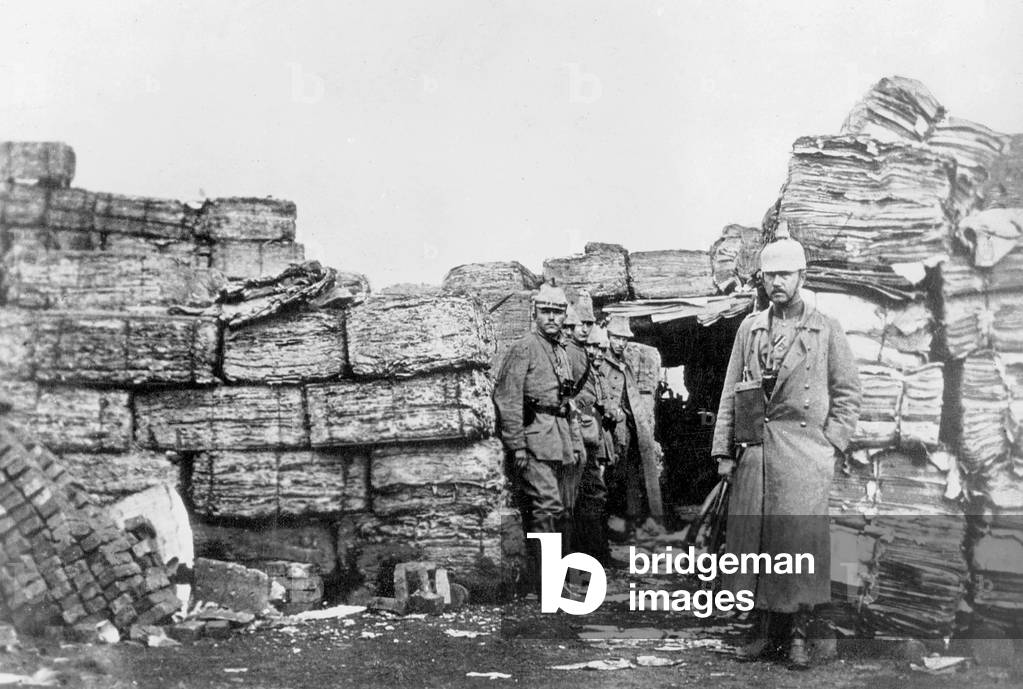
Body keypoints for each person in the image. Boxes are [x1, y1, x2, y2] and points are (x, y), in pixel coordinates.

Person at [712, 227, 860, 669]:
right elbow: (729, 391)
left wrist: (830, 444)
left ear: (802, 275)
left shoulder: (825, 329)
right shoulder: (750, 328)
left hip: (803, 456)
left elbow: (848, 393)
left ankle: (797, 634)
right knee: (753, 541)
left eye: (785, 275)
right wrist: (723, 452)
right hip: (757, 450)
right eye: (769, 275)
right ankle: (762, 631)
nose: (776, 283)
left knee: (797, 543)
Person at [492, 283, 584, 593]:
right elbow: (508, 398)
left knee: (560, 510)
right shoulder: (525, 347)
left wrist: (574, 442)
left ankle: (557, 579)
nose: (552, 319)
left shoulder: (560, 350)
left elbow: (566, 402)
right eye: (545, 312)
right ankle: (550, 584)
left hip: (557, 440)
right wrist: (517, 445)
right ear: (535, 314)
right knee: (548, 507)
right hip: (533, 440)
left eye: (557, 313)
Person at [601, 315, 654, 539]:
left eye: (624, 339)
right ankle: (607, 527)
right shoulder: (602, 361)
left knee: (629, 475)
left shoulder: (626, 363)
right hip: (609, 427)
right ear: (608, 337)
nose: (620, 343)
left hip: (628, 427)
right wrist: (613, 411)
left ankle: (627, 525)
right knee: (609, 477)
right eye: (616, 338)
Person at [571, 325, 616, 565]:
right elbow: (580, 407)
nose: (597, 353)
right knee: (587, 498)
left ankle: (598, 552)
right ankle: (589, 555)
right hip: (583, 442)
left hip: (596, 441)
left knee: (596, 497)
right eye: (592, 347)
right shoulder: (580, 372)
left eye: (601, 349)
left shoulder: (598, 375)